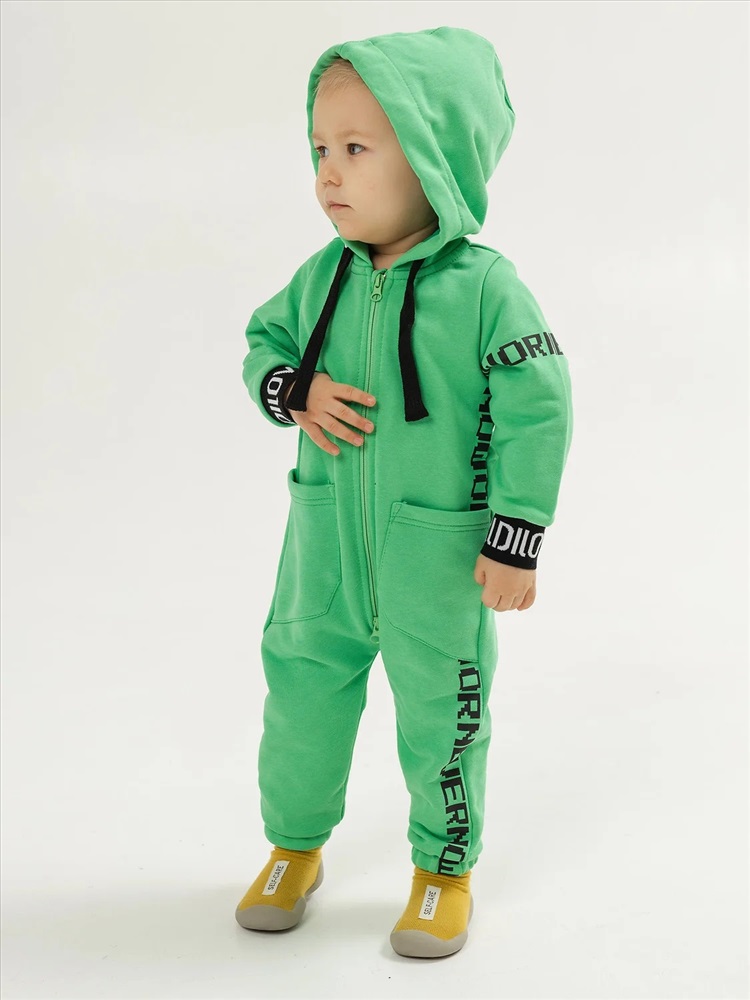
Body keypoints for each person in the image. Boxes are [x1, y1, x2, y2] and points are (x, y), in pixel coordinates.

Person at [235, 26, 573, 959]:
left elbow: (540, 407)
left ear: (433, 156)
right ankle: (293, 848)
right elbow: (264, 343)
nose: (327, 174)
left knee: (444, 722)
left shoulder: (486, 289)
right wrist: (292, 390)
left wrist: (515, 536)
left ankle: (442, 871)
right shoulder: (323, 278)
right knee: (299, 705)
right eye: (319, 148)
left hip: (437, 562)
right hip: (322, 560)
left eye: (356, 148)